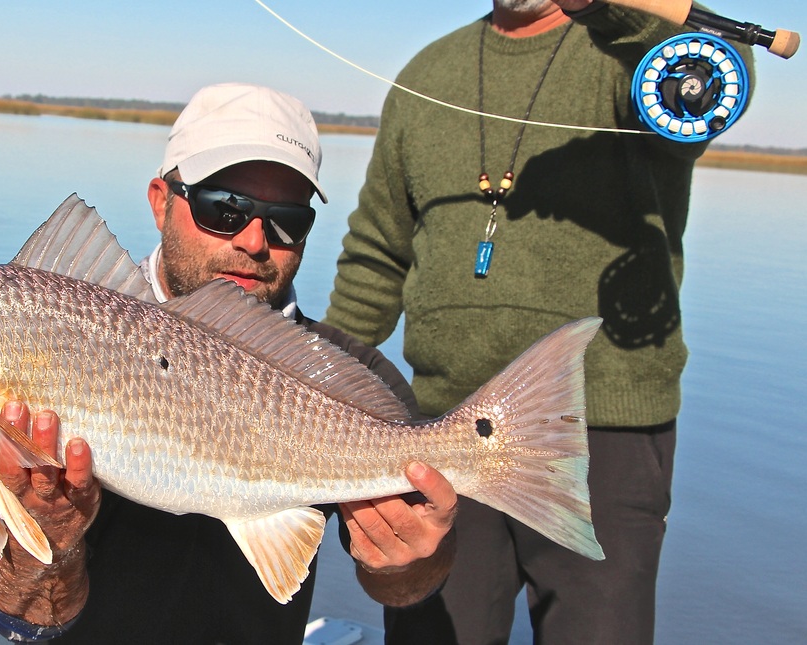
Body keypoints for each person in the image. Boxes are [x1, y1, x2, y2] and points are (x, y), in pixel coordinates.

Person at [0, 82, 458, 643]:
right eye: (224, 208)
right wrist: (49, 549)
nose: (255, 240)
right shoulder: (51, 331)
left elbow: (402, 588)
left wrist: (412, 559)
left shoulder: (352, 378)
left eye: (287, 220)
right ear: (161, 200)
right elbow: (20, 614)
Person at [323, 2, 754, 643]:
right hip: (434, 429)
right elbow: (377, 252)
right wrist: (319, 376)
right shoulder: (426, 73)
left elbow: (722, 75)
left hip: (600, 433)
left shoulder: (632, 51)